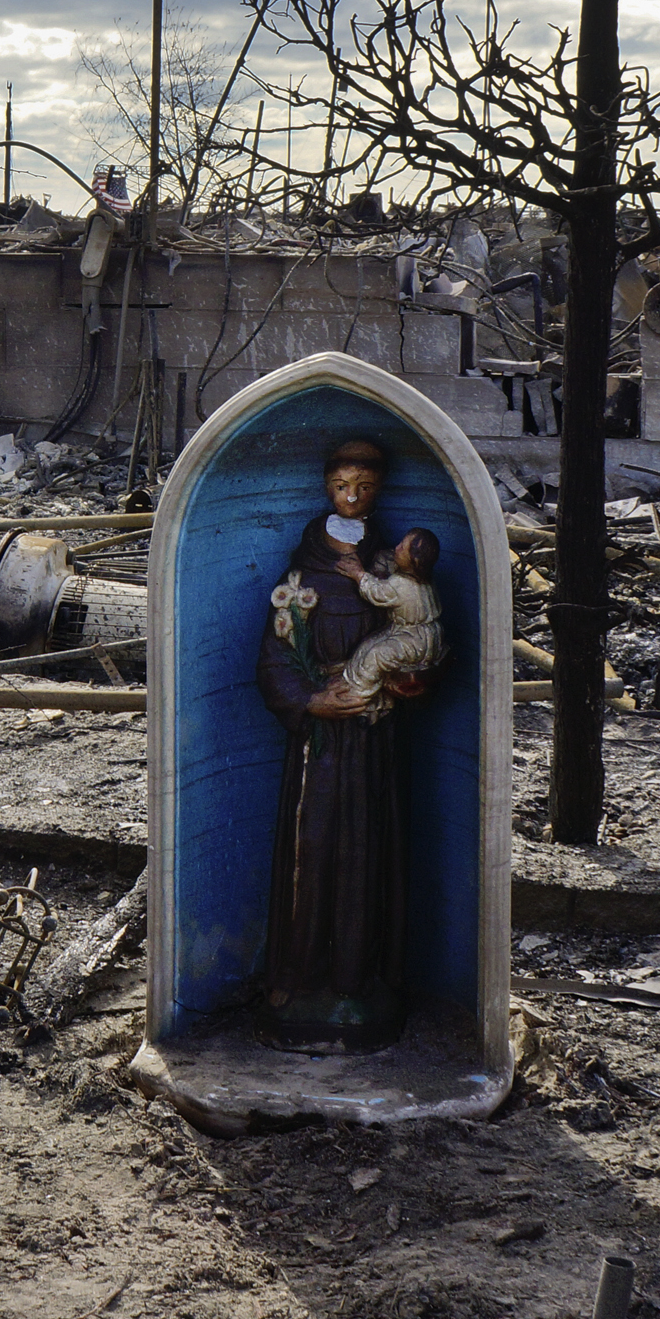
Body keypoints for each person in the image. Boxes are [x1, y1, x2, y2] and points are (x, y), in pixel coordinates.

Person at [253, 438, 418, 1052]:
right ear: (328, 488)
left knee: (368, 850)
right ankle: (296, 977)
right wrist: (313, 701)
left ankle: (360, 979)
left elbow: (419, 637)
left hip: (373, 742)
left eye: (366, 486)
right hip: (320, 745)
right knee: (312, 845)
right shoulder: (299, 580)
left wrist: (402, 684)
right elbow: (273, 659)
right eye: (345, 483)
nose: (353, 496)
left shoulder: (393, 573)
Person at [336, 529, 444, 718]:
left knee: (377, 654)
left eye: (402, 547)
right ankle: (350, 678)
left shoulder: (400, 585)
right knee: (370, 644)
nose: (397, 547)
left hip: (414, 641)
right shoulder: (424, 580)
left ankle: (359, 693)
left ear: (414, 560)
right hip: (425, 635)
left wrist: (359, 575)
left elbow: (377, 592)